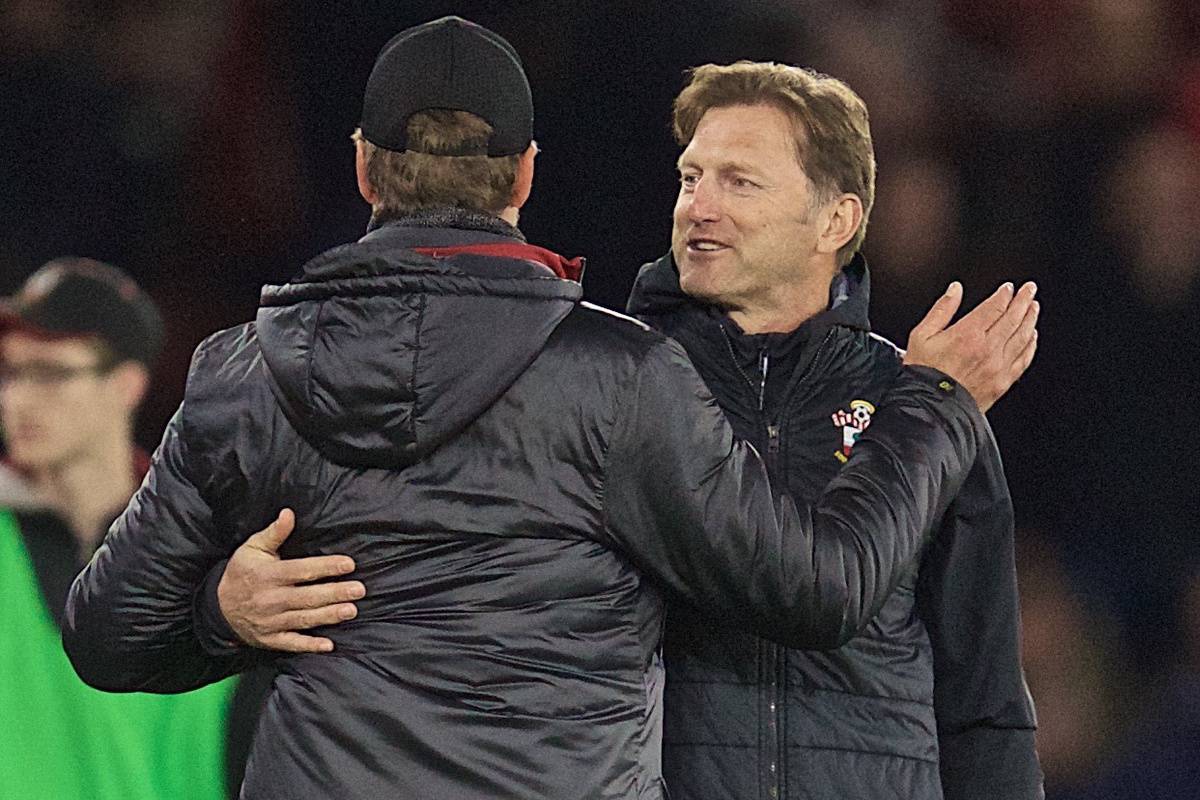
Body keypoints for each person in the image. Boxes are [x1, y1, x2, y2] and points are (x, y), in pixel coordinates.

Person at [62, 17, 1037, 800]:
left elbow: (105, 636)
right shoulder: (624, 376)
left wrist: (223, 612)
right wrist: (939, 400)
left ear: (364, 167)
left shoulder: (243, 372)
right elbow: (820, 588)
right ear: (526, 173)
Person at [623, 63, 1043, 799]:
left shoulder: (920, 401)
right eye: (692, 178)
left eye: (739, 182)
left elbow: (984, 701)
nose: (699, 207)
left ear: (836, 220)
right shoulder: (615, 382)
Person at [0, 258, 236, 800]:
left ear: (126, 385)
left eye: (52, 373)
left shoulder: (204, 548)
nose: (18, 399)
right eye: (11, 372)